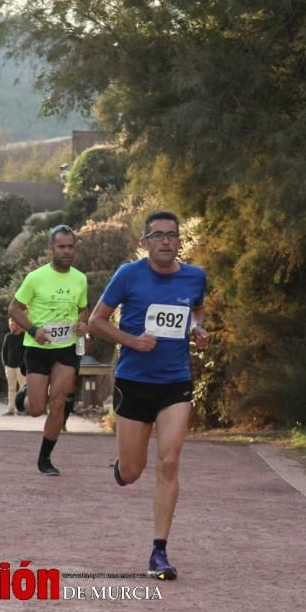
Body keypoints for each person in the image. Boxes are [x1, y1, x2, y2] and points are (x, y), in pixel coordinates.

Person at [87, 210, 209, 580]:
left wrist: (200, 330)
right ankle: (122, 469)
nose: (166, 241)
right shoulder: (129, 275)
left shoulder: (195, 276)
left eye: (172, 235)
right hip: (134, 381)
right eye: (158, 236)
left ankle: (159, 551)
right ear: (145, 243)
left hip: (175, 382)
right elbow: (96, 322)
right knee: (133, 470)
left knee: (169, 462)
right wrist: (132, 341)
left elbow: (197, 311)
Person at [8, 225, 89, 476]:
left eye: (70, 247)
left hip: (66, 348)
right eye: (61, 247)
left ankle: (45, 460)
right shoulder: (35, 278)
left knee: (59, 404)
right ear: (50, 249)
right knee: (35, 409)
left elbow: (84, 309)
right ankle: (27, 393)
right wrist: (33, 331)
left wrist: (82, 323)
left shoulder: (80, 278)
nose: (67, 251)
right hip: (38, 348)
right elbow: (14, 309)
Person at [0, 317, 27, 416]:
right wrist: (6, 364)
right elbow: (4, 352)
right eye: (10, 324)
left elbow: (26, 352)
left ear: (19, 325)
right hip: (10, 367)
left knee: (23, 389)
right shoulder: (8, 337)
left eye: (13, 323)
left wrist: (23, 365)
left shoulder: (25, 336)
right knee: (11, 389)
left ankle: (21, 409)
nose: (10, 325)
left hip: (21, 368)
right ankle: (10, 409)